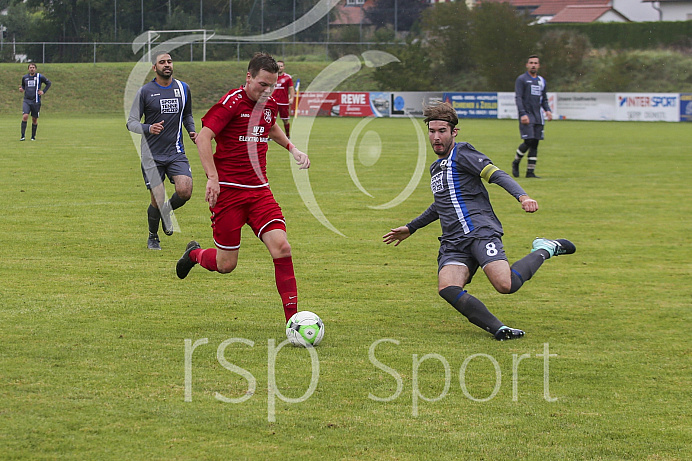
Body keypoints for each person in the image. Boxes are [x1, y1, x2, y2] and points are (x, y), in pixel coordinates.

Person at [383, 102, 574, 341]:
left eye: (442, 131)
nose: (436, 137)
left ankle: (545, 248)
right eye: (432, 131)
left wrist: (523, 197)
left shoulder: (463, 153)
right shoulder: (436, 168)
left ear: (454, 132)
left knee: (506, 285)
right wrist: (411, 227)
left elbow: (497, 174)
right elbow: (441, 205)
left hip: (479, 231)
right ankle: (499, 329)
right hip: (453, 241)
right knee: (447, 288)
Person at [176, 52, 310, 323]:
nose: (268, 91)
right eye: (263, 84)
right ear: (248, 77)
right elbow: (203, 138)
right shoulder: (231, 104)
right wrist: (212, 178)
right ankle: (194, 254)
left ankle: (293, 321)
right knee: (227, 265)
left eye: (272, 85)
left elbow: (270, 128)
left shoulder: (269, 103)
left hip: (260, 191)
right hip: (228, 194)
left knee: (282, 247)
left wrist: (292, 148)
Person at [126, 52, 197, 250]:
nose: (167, 65)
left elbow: (188, 114)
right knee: (157, 197)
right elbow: (131, 123)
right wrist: (149, 127)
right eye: (162, 62)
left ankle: (167, 211)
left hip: (175, 151)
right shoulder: (145, 92)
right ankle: (153, 236)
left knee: (185, 190)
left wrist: (191, 130)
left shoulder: (183, 89)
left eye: (169, 61)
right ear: (154, 68)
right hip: (152, 155)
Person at [512, 55, 553, 178]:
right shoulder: (522, 79)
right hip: (527, 115)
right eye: (531, 63)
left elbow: (544, 99)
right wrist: (522, 114)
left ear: (539, 65)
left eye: (535, 63)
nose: (533, 65)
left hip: (538, 116)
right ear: (527, 65)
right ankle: (516, 162)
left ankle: (530, 172)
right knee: (528, 140)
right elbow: (518, 97)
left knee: (535, 142)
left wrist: (548, 111)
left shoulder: (541, 80)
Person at [19, 63, 51, 141]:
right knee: (25, 116)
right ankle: (22, 136)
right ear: (28, 69)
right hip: (27, 100)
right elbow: (23, 86)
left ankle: (33, 137)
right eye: (30, 67)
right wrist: (21, 89)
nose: (32, 69)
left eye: (33, 67)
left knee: (34, 119)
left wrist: (43, 91)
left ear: (35, 69)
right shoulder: (25, 77)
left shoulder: (39, 76)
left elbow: (48, 83)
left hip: (36, 101)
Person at [272, 60, 295, 138]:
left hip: (283, 102)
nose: (279, 68)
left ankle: (287, 135)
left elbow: (291, 88)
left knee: (285, 120)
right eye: (278, 66)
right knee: (271, 120)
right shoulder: (272, 76)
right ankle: (271, 136)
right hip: (273, 101)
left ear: (283, 67)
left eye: (281, 66)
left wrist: (292, 98)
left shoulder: (287, 77)